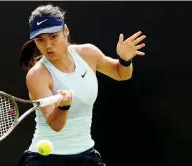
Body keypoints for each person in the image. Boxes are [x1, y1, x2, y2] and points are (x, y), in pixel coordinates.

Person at [17, 4, 146, 166]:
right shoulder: (37, 75)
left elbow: (121, 74)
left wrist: (125, 59)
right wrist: (63, 107)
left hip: (86, 155)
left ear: (65, 31)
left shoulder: (88, 53)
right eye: (40, 39)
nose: (48, 45)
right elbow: (56, 125)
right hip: (45, 159)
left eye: (53, 36)